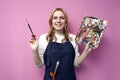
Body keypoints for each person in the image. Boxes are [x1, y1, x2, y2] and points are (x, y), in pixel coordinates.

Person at [29, 8, 92, 80]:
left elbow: (76, 63)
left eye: (62, 18)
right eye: (55, 18)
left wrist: (86, 51)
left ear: (65, 22)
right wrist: (34, 50)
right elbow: (39, 65)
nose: (58, 21)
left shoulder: (73, 38)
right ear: (51, 21)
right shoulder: (43, 38)